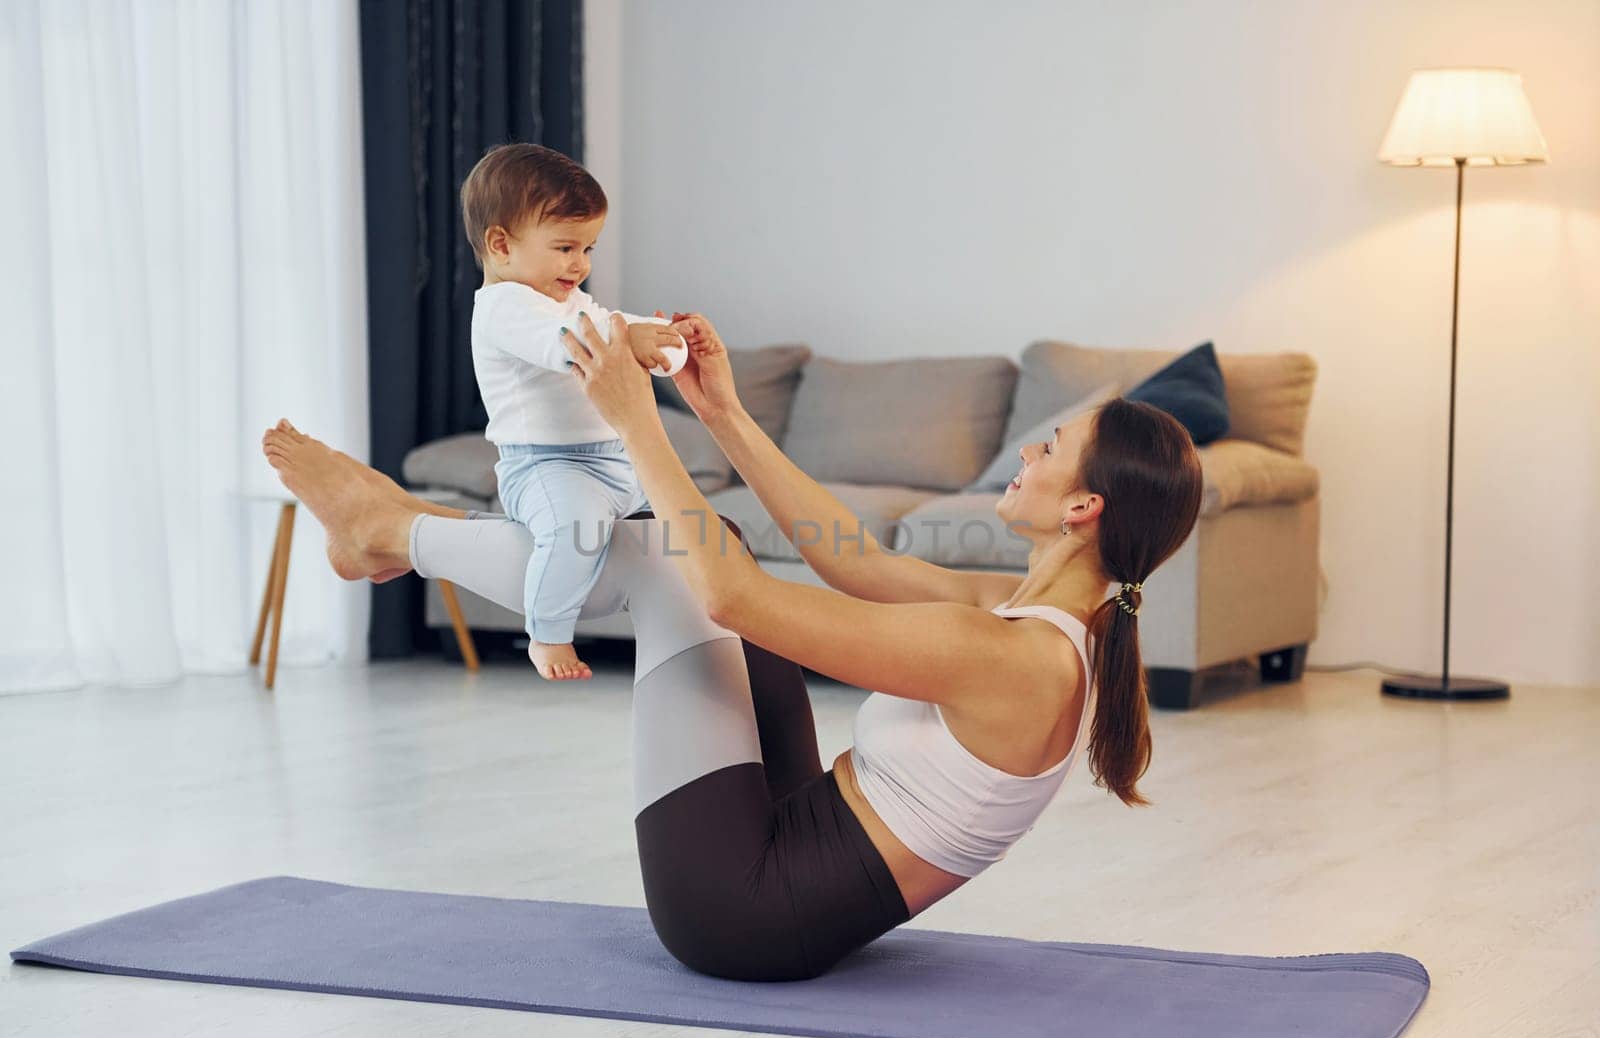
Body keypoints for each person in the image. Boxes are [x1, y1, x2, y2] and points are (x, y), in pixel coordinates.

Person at [260, 311, 1203, 982]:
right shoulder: (1026, 615)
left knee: (674, 561)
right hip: (793, 852)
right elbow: (856, 562)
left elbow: (732, 599)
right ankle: (403, 528)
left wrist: (635, 418)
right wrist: (722, 415)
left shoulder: (1012, 659)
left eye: (1051, 449)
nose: (1029, 455)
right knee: (718, 545)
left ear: (1084, 508)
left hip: (744, 914)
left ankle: (391, 534)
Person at [460, 142, 689, 682]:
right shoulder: (502, 309)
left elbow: (609, 320)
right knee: (576, 526)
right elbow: (563, 343)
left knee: (691, 524)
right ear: (500, 245)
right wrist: (628, 337)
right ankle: (546, 632)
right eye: (566, 247)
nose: (580, 264)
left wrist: (672, 343)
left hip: (614, 461)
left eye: (588, 248)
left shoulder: (572, 301)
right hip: (546, 466)